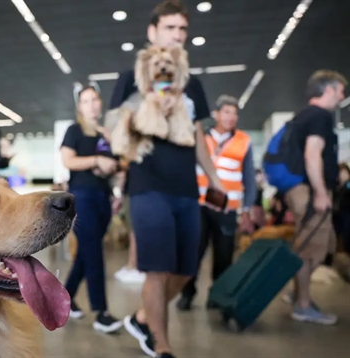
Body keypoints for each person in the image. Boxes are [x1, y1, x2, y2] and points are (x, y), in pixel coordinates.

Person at [109, 1, 225, 356]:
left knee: (187, 269)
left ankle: (143, 317)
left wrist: (215, 178)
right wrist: (147, 112)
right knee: (157, 270)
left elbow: (199, 136)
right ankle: (162, 344)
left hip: (186, 188)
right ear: (153, 32)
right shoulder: (132, 78)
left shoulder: (193, 84)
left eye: (182, 29)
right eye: (170, 28)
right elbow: (113, 129)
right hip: (147, 186)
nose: (177, 35)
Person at [177, 95, 257, 310]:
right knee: (194, 252)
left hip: (227, 208)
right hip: (199, 205)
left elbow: (249, 178)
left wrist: (247, 209)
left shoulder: (244, 141)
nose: (231, 117)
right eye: (227, 112)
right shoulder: (200, 136)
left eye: (235, 113)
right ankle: (187, 293)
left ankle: (217, 295)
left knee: (224, 255)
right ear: (216, 114)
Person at [281, 69, 346, 325]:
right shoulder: (319, 115)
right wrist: (320, 192)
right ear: (328, 90)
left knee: (321, 245)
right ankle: (303, 305)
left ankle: (299, 294)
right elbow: (312, 154)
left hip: (301, 190)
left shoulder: (303, 115)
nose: (342, 96)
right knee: (311, 250)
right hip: (309, 191)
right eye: (340, 91)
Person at [61, 84, 123, 334]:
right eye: (86, 101)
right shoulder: (74, 131)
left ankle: (65, 298)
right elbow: (68, 161)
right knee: (94, 253)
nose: (92, 104)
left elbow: (119, 164)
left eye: (95, 99)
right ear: (79, 106)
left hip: (103, 197)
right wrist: (96, 160)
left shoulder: (107, 133)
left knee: (86, 254)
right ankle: (101, 312)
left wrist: (115, 183)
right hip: (82, 196)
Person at [333, 163, 350, 254]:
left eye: (344, 172)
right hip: (337, 214)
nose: (342, 175)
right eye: (340, 173)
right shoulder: (336, 187)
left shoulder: (348, 184)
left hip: (346, 213)